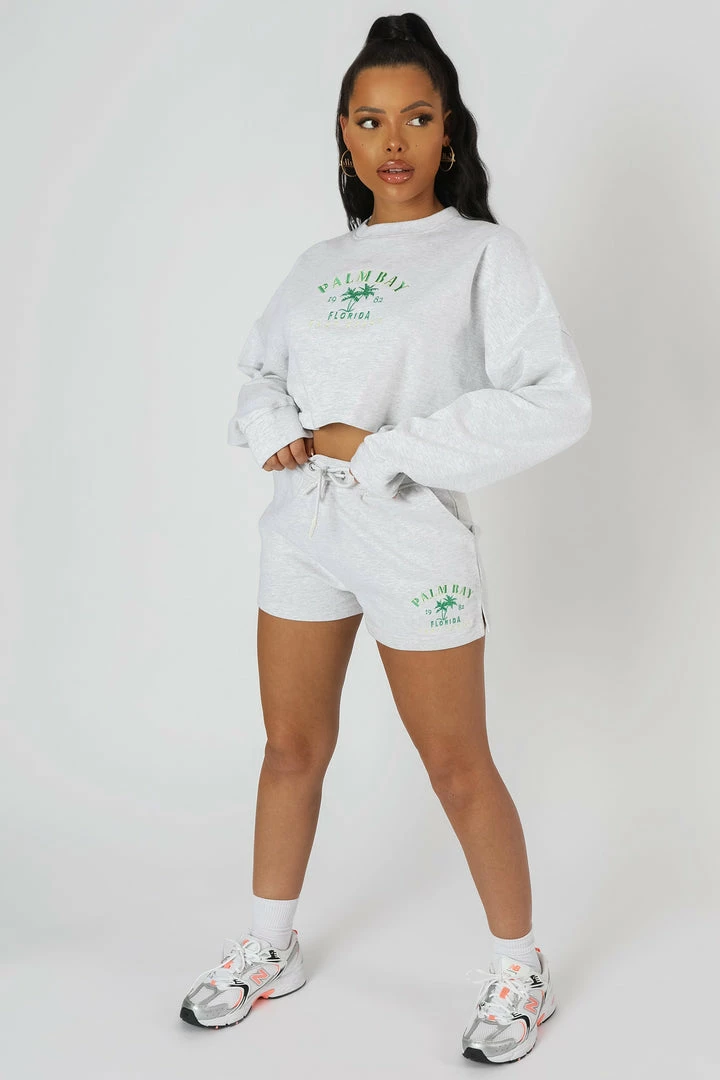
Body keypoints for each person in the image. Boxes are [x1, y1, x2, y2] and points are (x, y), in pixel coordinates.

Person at [179, 12, 591, 1066]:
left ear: (448, 131)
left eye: (415, 117)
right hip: (304, 528)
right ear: (344, 136)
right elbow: (257, 372)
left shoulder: (484, 254)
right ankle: (271, 945)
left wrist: (388, 448)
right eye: (369, 121)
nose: (392, 140)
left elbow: (555, 400)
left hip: (412, 536)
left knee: (456, 764)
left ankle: (521, 968)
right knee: (290, 749)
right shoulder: (318, 263)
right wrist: (272, 427)